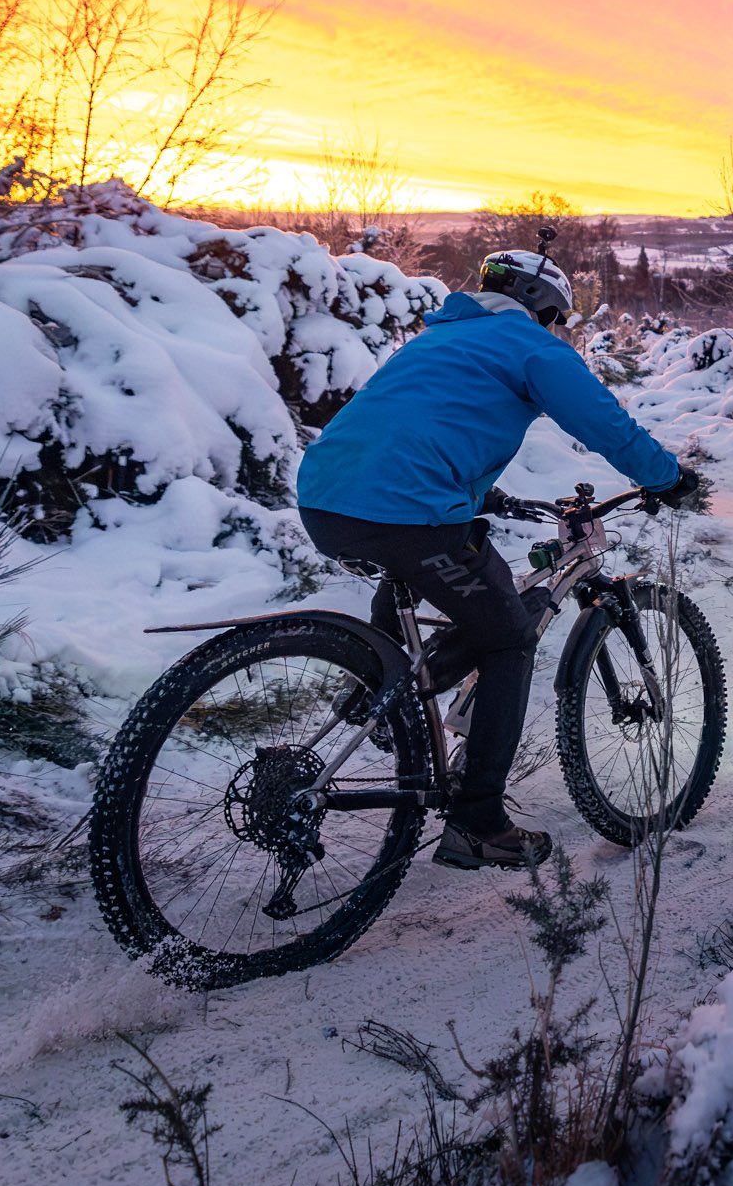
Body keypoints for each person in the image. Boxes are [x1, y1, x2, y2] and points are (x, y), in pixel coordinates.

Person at [296, 242, 696, 870]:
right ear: (543, 309)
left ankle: (380, 693)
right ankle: (477, 820)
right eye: (556, 318)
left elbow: (416, 424)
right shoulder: (533, 347)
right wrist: (668, 477)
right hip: (406, 508)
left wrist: (482, 492)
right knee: (508, 632)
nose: (554, 329)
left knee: (435, 568)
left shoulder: (438, 338)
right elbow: (605, 424)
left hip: (325, 498)